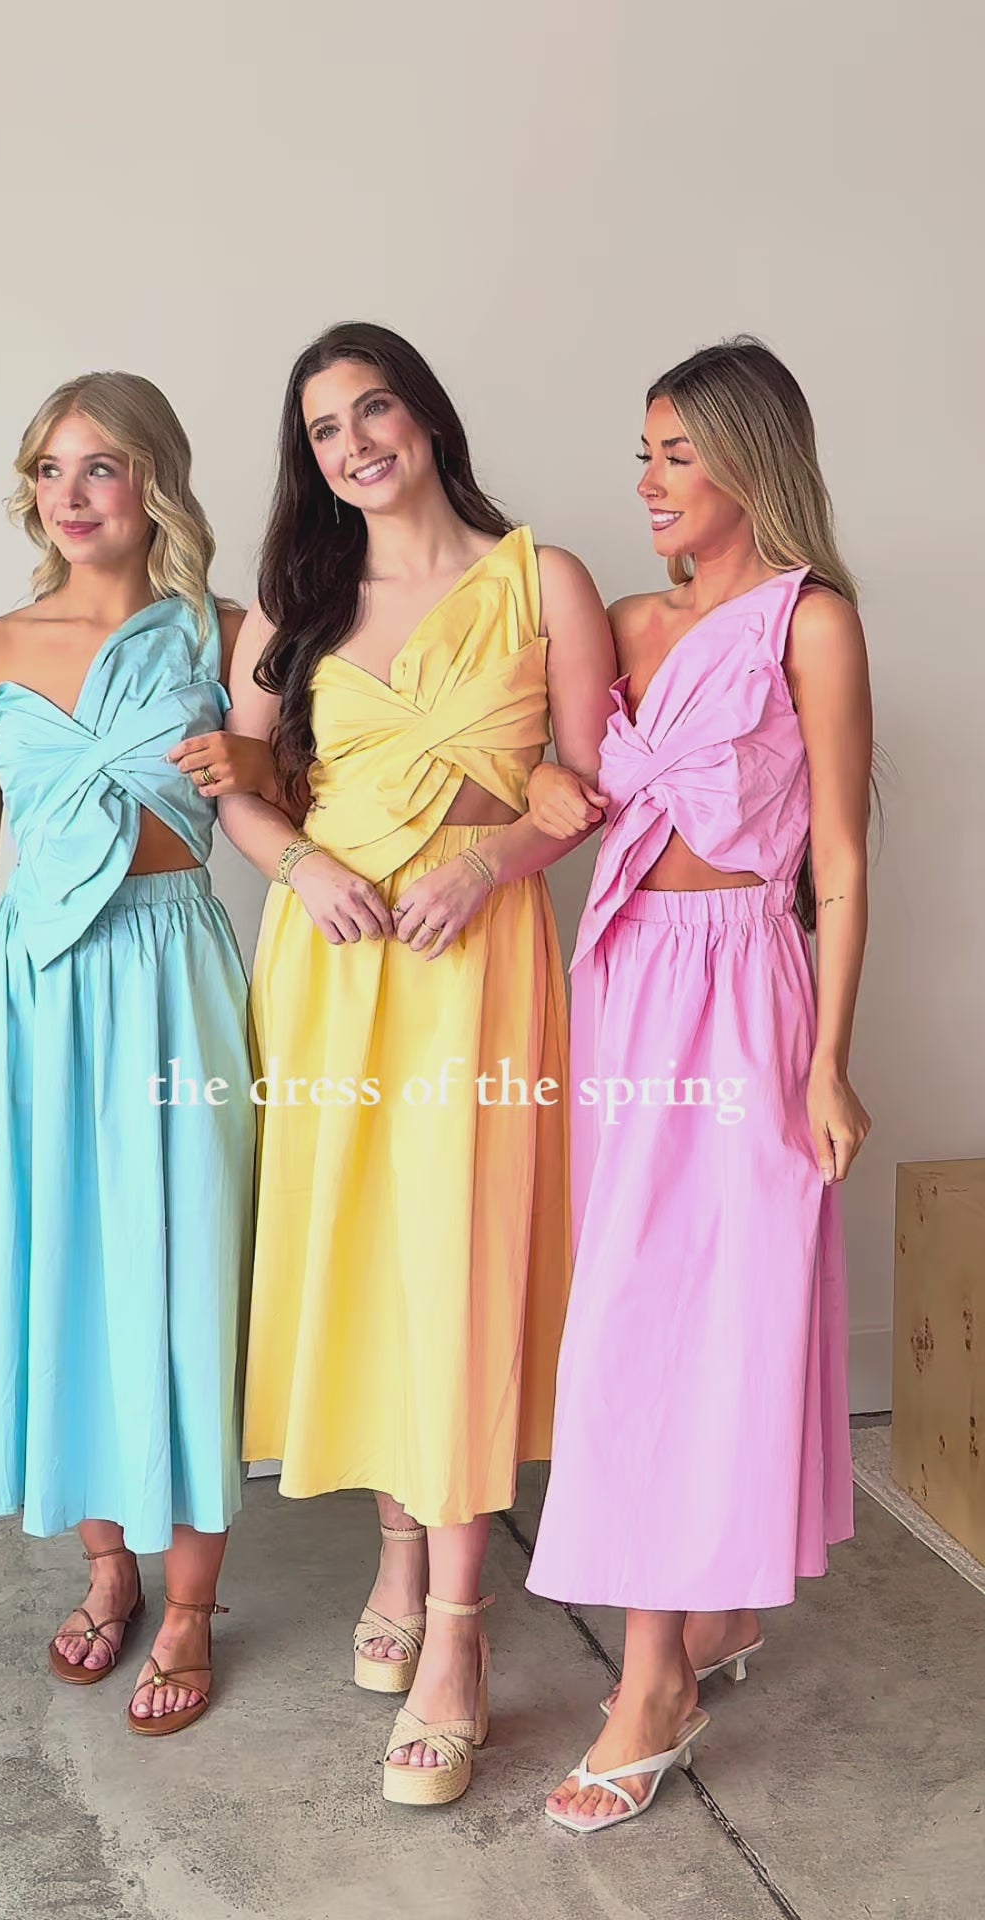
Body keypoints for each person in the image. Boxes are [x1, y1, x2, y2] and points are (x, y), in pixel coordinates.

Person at [219, 322, 616, 1805]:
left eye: (372, 408)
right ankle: (397, 1549)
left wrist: (493, 864)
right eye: (323, 430)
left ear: (427, 415)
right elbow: (241, 786)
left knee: (453, 1268)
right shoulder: (296, 597)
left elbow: (592, 790)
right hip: (334, 962)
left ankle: (458, 1632)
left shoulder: (543, 580)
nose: (353, 445)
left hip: (475, 965)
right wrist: (302, 865)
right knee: (372, 1264)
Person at [526, 337, 872, 1833]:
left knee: (715, 1318)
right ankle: (701, 1622)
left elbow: (840, 863)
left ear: (750, 461)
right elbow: (561, 791)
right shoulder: (620, 621)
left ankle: (654, 1680)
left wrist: (831, 1061)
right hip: (622, 981)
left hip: (744, 992)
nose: (651, 482)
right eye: (645, 454)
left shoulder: (812, 623)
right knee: (628, 1316)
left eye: (679, 453)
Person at [0, 371, 264, 1738]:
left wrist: (264, 769)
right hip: (31, 998)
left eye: (101, 466)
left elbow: (291, 804)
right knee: (61, 1263)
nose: (71, 494)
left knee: (190, 1264)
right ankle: (109, 1565)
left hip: (176, 980)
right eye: (51, 469)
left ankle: (193, 1602)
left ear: (155, 481)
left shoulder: (229, 635)